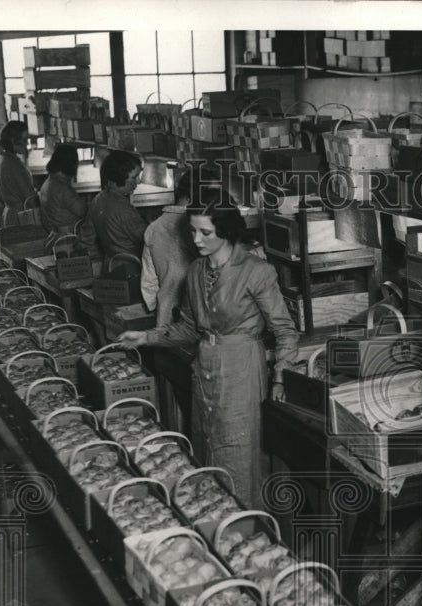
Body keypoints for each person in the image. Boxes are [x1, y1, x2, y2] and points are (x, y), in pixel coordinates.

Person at [118, 191, 299, 508]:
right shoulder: (196, 272)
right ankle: (214, 530)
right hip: (205, 371)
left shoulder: (256, 272)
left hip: (242, 372)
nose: (197, 239)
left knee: (239, 457)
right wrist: (148, 338)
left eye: (205, 232)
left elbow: (284, 330)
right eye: (192, 231)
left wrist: (281, 377)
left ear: (226, 231)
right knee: (207, 453)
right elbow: (189, 328)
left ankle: (247, 528)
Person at [140, 166, 208, 327]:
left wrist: (158, 308)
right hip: (200, 316)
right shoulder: (200, 226)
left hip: (167, 315)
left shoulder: (153, 227)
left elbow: (148, 282)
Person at [87, 149, 147, 265]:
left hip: (111, 266)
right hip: (133, 269)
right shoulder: (125, 210)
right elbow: (148, 241)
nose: (138, 181)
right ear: (120, 177)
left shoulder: (97, 200)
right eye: (134, 177)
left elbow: (86, 237)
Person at [37, 144, 89, 245]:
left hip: (55, 236)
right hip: (68, 239)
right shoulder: (62, 188)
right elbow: (84, 212)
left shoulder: (47, 183)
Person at [0, 120, 35, 227]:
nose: (26, 144)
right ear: (13, 140)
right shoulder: (13, 164)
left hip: (9, 214)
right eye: (24, 139)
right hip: (20, 217)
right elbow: (30, 198)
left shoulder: (0, 160)